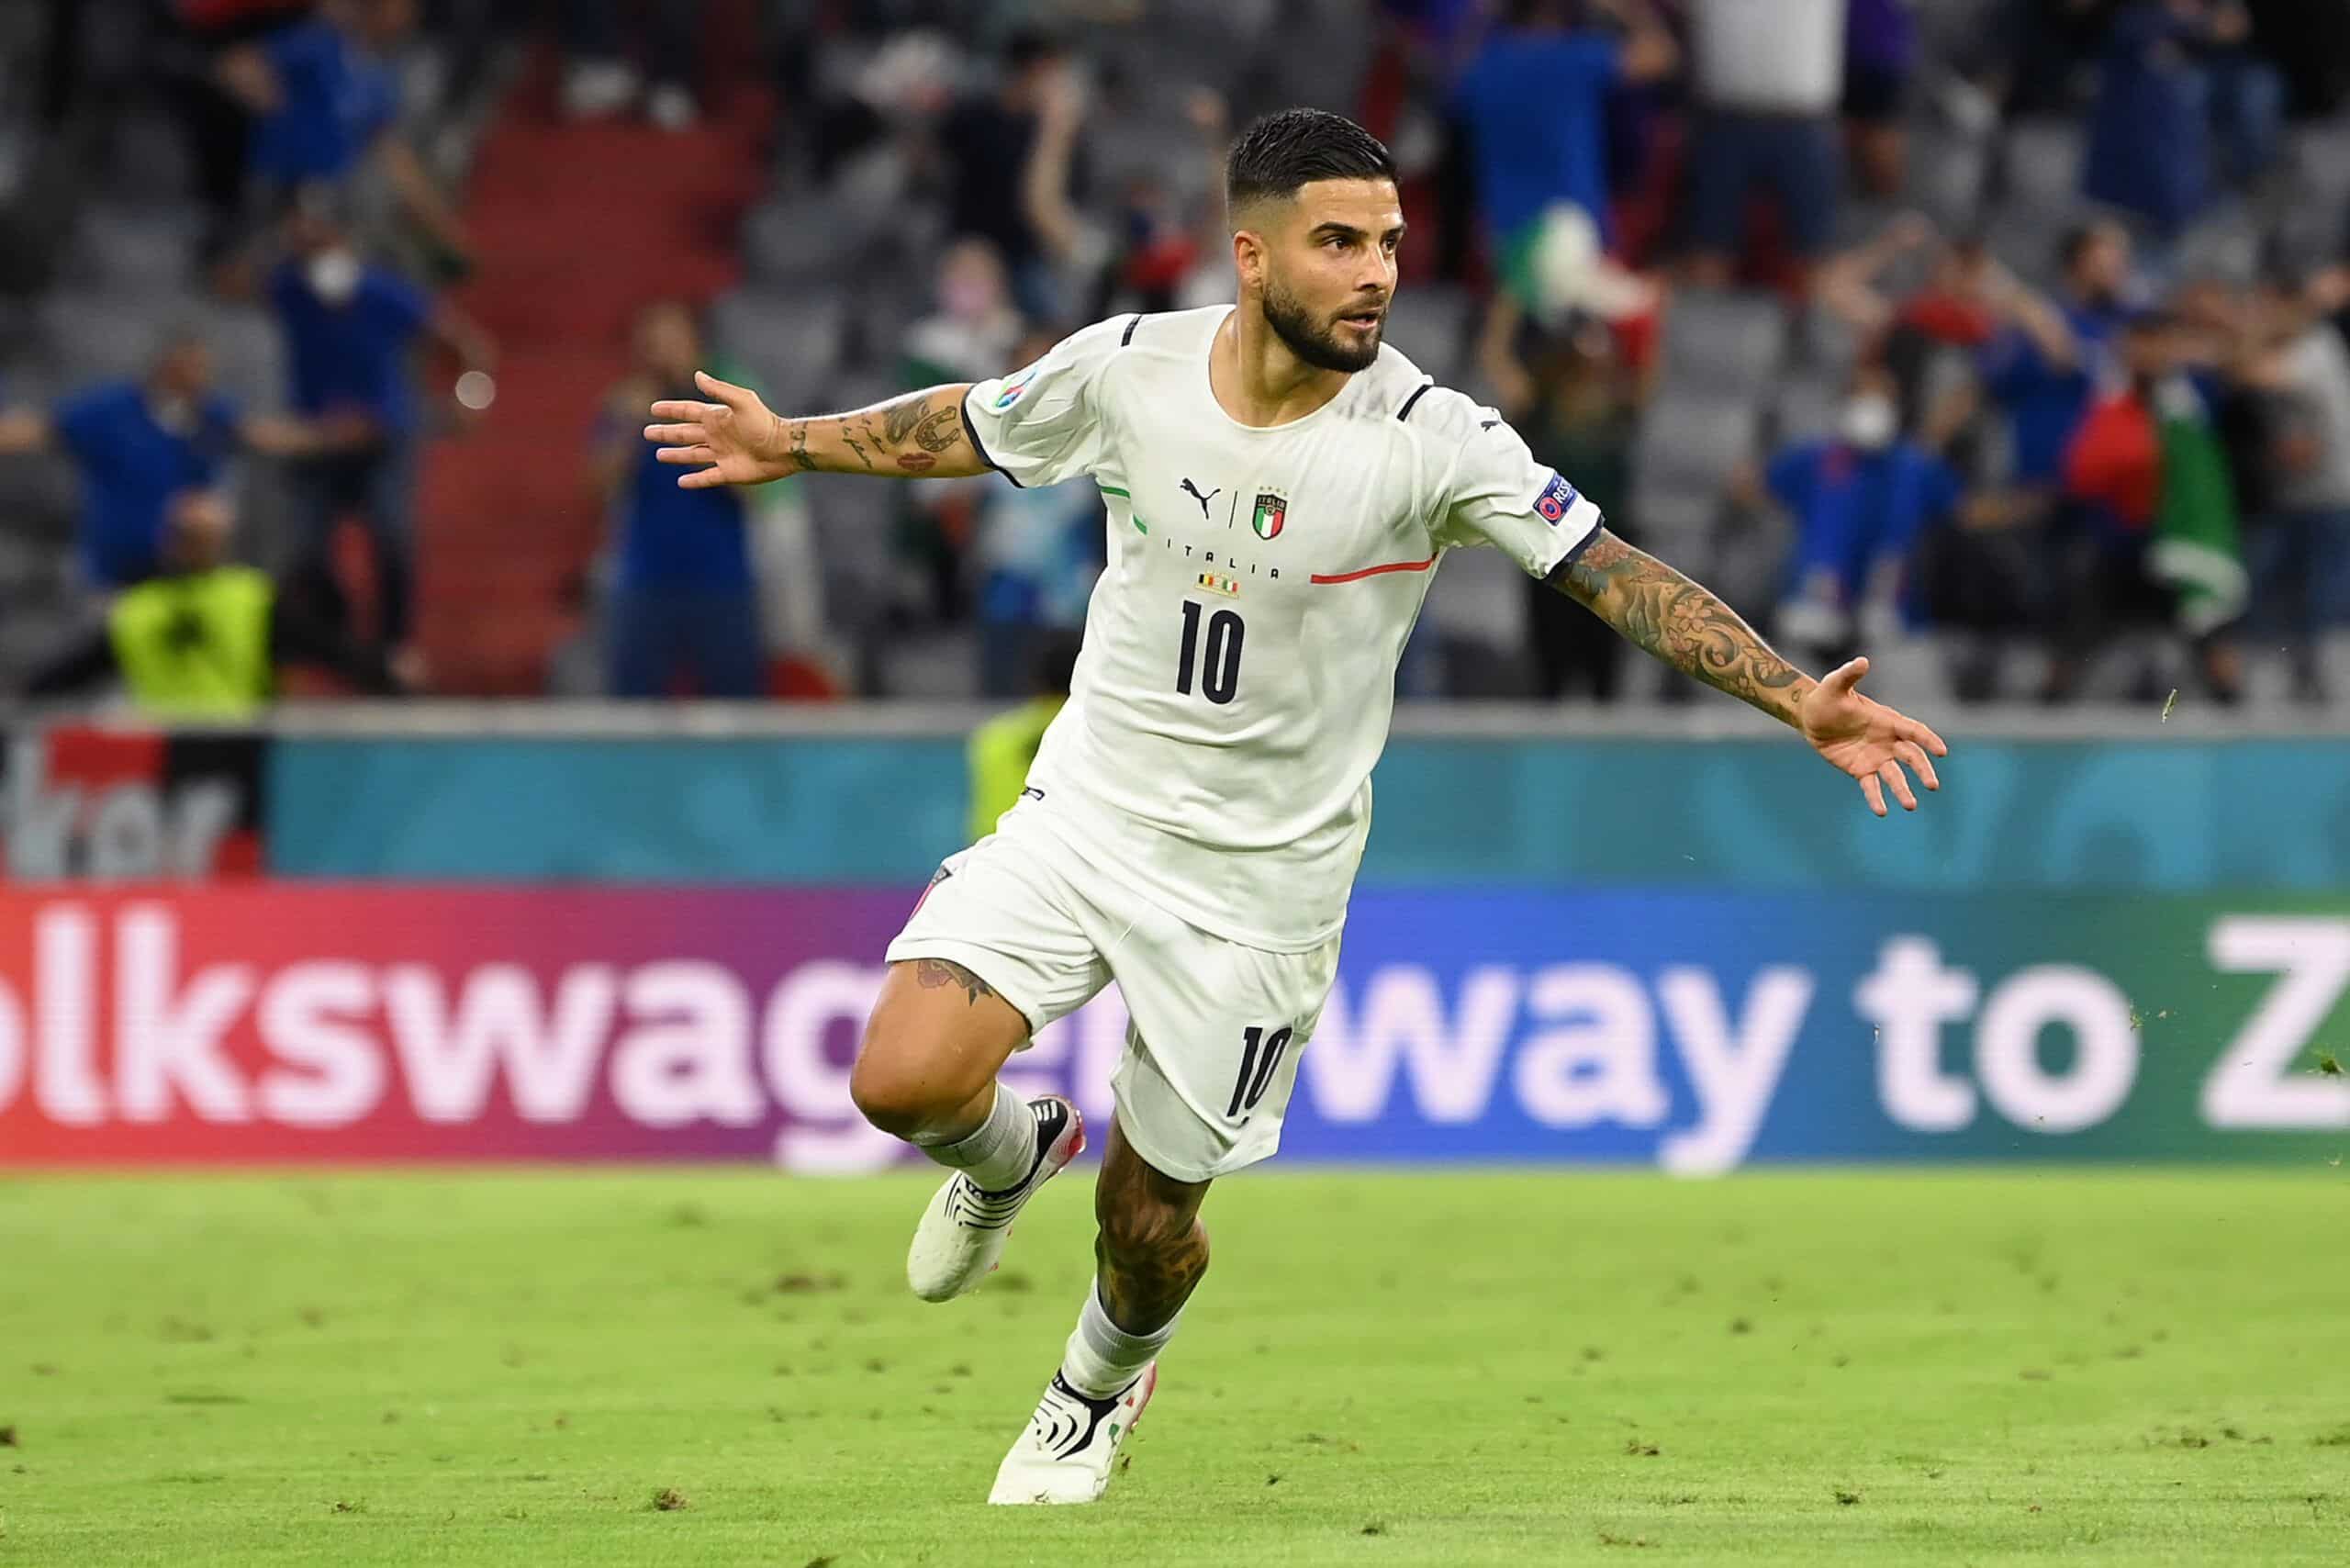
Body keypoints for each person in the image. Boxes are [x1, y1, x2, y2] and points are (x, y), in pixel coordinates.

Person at [643, 106, 1947, 1506]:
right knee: (899, 1078)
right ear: (1253, 254)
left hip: (1262, 884)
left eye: (1389, 242)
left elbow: (1608, 572)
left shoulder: (1437, 439)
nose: (1378, 271)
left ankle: (1094, 1385)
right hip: (1091, 812)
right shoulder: (1132, 368)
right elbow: (966, 424)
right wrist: (796, 440)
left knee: (1146, 1225)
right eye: (1340, 243)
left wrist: (1790, 694)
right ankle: (1009, 1147)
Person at [269, 195, 495, 646]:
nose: (312, 251)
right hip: (317, 440)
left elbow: (467, 346)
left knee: (391, 536)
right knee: (307, 548)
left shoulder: (384, 293)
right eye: (302, 242)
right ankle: (334, 637)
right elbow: (225, 282)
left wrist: (471, 398)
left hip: (385, 435)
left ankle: (396, 644)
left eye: (320, 239)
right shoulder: (289, 290)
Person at [0, 332, 365, 590]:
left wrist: (326, 437)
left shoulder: (210, 416)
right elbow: (37, 430)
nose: (204, 376)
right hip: (117, 567)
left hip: (186, 572)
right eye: (196, 367)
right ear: (168, 367)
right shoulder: (109, 412)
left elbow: (262, 434)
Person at [19, 488, 412, 715]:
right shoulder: (244, 597)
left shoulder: (145, 605)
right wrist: (389, 678)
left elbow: (324, 647)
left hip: (205, 746)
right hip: (214, 746)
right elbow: (78, 667)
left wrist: (384, 676)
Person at [590, 300, 764, 699]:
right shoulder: (624, 406)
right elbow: (598, 489)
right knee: (634, 709)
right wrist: (627, 427)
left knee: (739, 709)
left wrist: (712, 436)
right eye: (652, 342)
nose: (662, 350)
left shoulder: (728, 409)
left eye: (672, 339)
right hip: (646, 581)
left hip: (721, 582)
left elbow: (757, 496)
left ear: (696, 344)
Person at [968, 633, 1080, 843]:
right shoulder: (1098, 737)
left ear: (1034, 679)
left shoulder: (992, 738)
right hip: (1076, 862)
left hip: (999, 860)